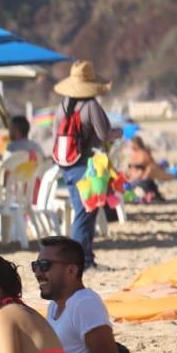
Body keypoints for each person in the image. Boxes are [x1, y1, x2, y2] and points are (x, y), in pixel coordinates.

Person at [32, 236, 151, 353]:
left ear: (71, 270)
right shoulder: (55, 306)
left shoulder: (84, 304)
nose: (38, 273)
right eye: (35, 266)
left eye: (45, 265)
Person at [52, 61, 118, 270]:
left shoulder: (63, 106)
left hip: (67, 166)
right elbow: (104, 134)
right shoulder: (91, 106)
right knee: (85, 214)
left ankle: (87, 258)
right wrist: (119, 133)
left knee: (83, 212)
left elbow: (55, 136)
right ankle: (80, 262)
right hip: (85, 167)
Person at [122, 135, 177, 203]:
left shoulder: (143, 155)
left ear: (135, 144)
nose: (130, 146)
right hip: (160, 173)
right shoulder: (137, 155)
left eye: (131, 144)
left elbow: (147, 166)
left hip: (161, 173)